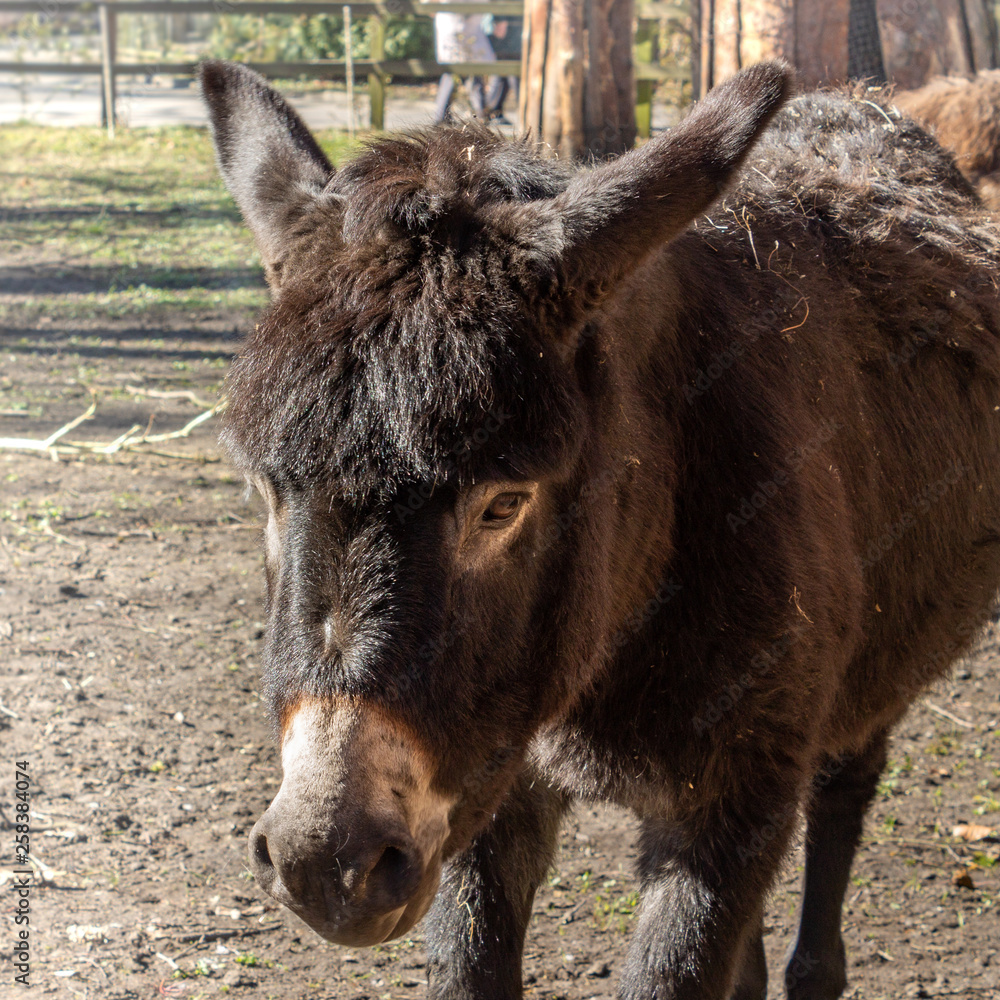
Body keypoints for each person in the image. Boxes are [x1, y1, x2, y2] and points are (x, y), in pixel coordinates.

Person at [432, 7, 496, 124]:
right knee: (454, 71)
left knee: (470, 71)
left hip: (468, 27)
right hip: (454, 27)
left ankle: (479, 113)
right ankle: (479, 114)